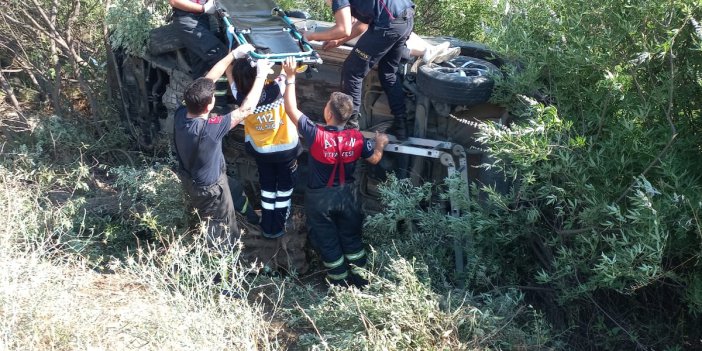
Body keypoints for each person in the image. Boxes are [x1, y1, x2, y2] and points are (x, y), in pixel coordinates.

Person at [282, 57, 390, 287]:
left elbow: (291, 109)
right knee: (352, 238)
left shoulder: (317, 136)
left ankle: (339, 283)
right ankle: (363, 280)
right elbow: (374, 158)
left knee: (328, 242)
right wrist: (380, 142)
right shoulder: (357, 138)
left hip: (320, 199)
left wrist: (290, 77)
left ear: (329, 114)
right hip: (347, 197)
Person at [303, 0, 457, 140]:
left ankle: (351, 127)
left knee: (352, 71)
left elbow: (344, 28)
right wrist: (338, 41)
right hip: (404, 17)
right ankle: (401, 127)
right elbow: (362, 24)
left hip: (388, 23)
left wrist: (312, 36)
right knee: (388, 73)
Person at [173, 43, 274, 248]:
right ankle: (223, 268)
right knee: (223, 232)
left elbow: (206, 82)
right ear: (209, 105)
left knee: (234, 189)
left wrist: (233, 55)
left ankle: (251, 218)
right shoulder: (210, 129)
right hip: (210, 191)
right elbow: (245, 109)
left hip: (196, 180)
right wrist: (262, 75)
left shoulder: (181, 114)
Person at [225, 58, 301, 239]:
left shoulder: (240, 96)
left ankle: (267, 225)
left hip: (261, 151)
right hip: (285, 150)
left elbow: (229, 73)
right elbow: (288, 72)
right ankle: (279, 225)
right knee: (284, 188)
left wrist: (232, 56)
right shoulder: (276, 89)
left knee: (267, 186)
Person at [169, 0, 227, 78]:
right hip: (187, 20)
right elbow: (174, 1)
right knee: (222, 56)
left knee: (201, 65)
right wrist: (203, 8)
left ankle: (198, 88)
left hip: (203, 18)